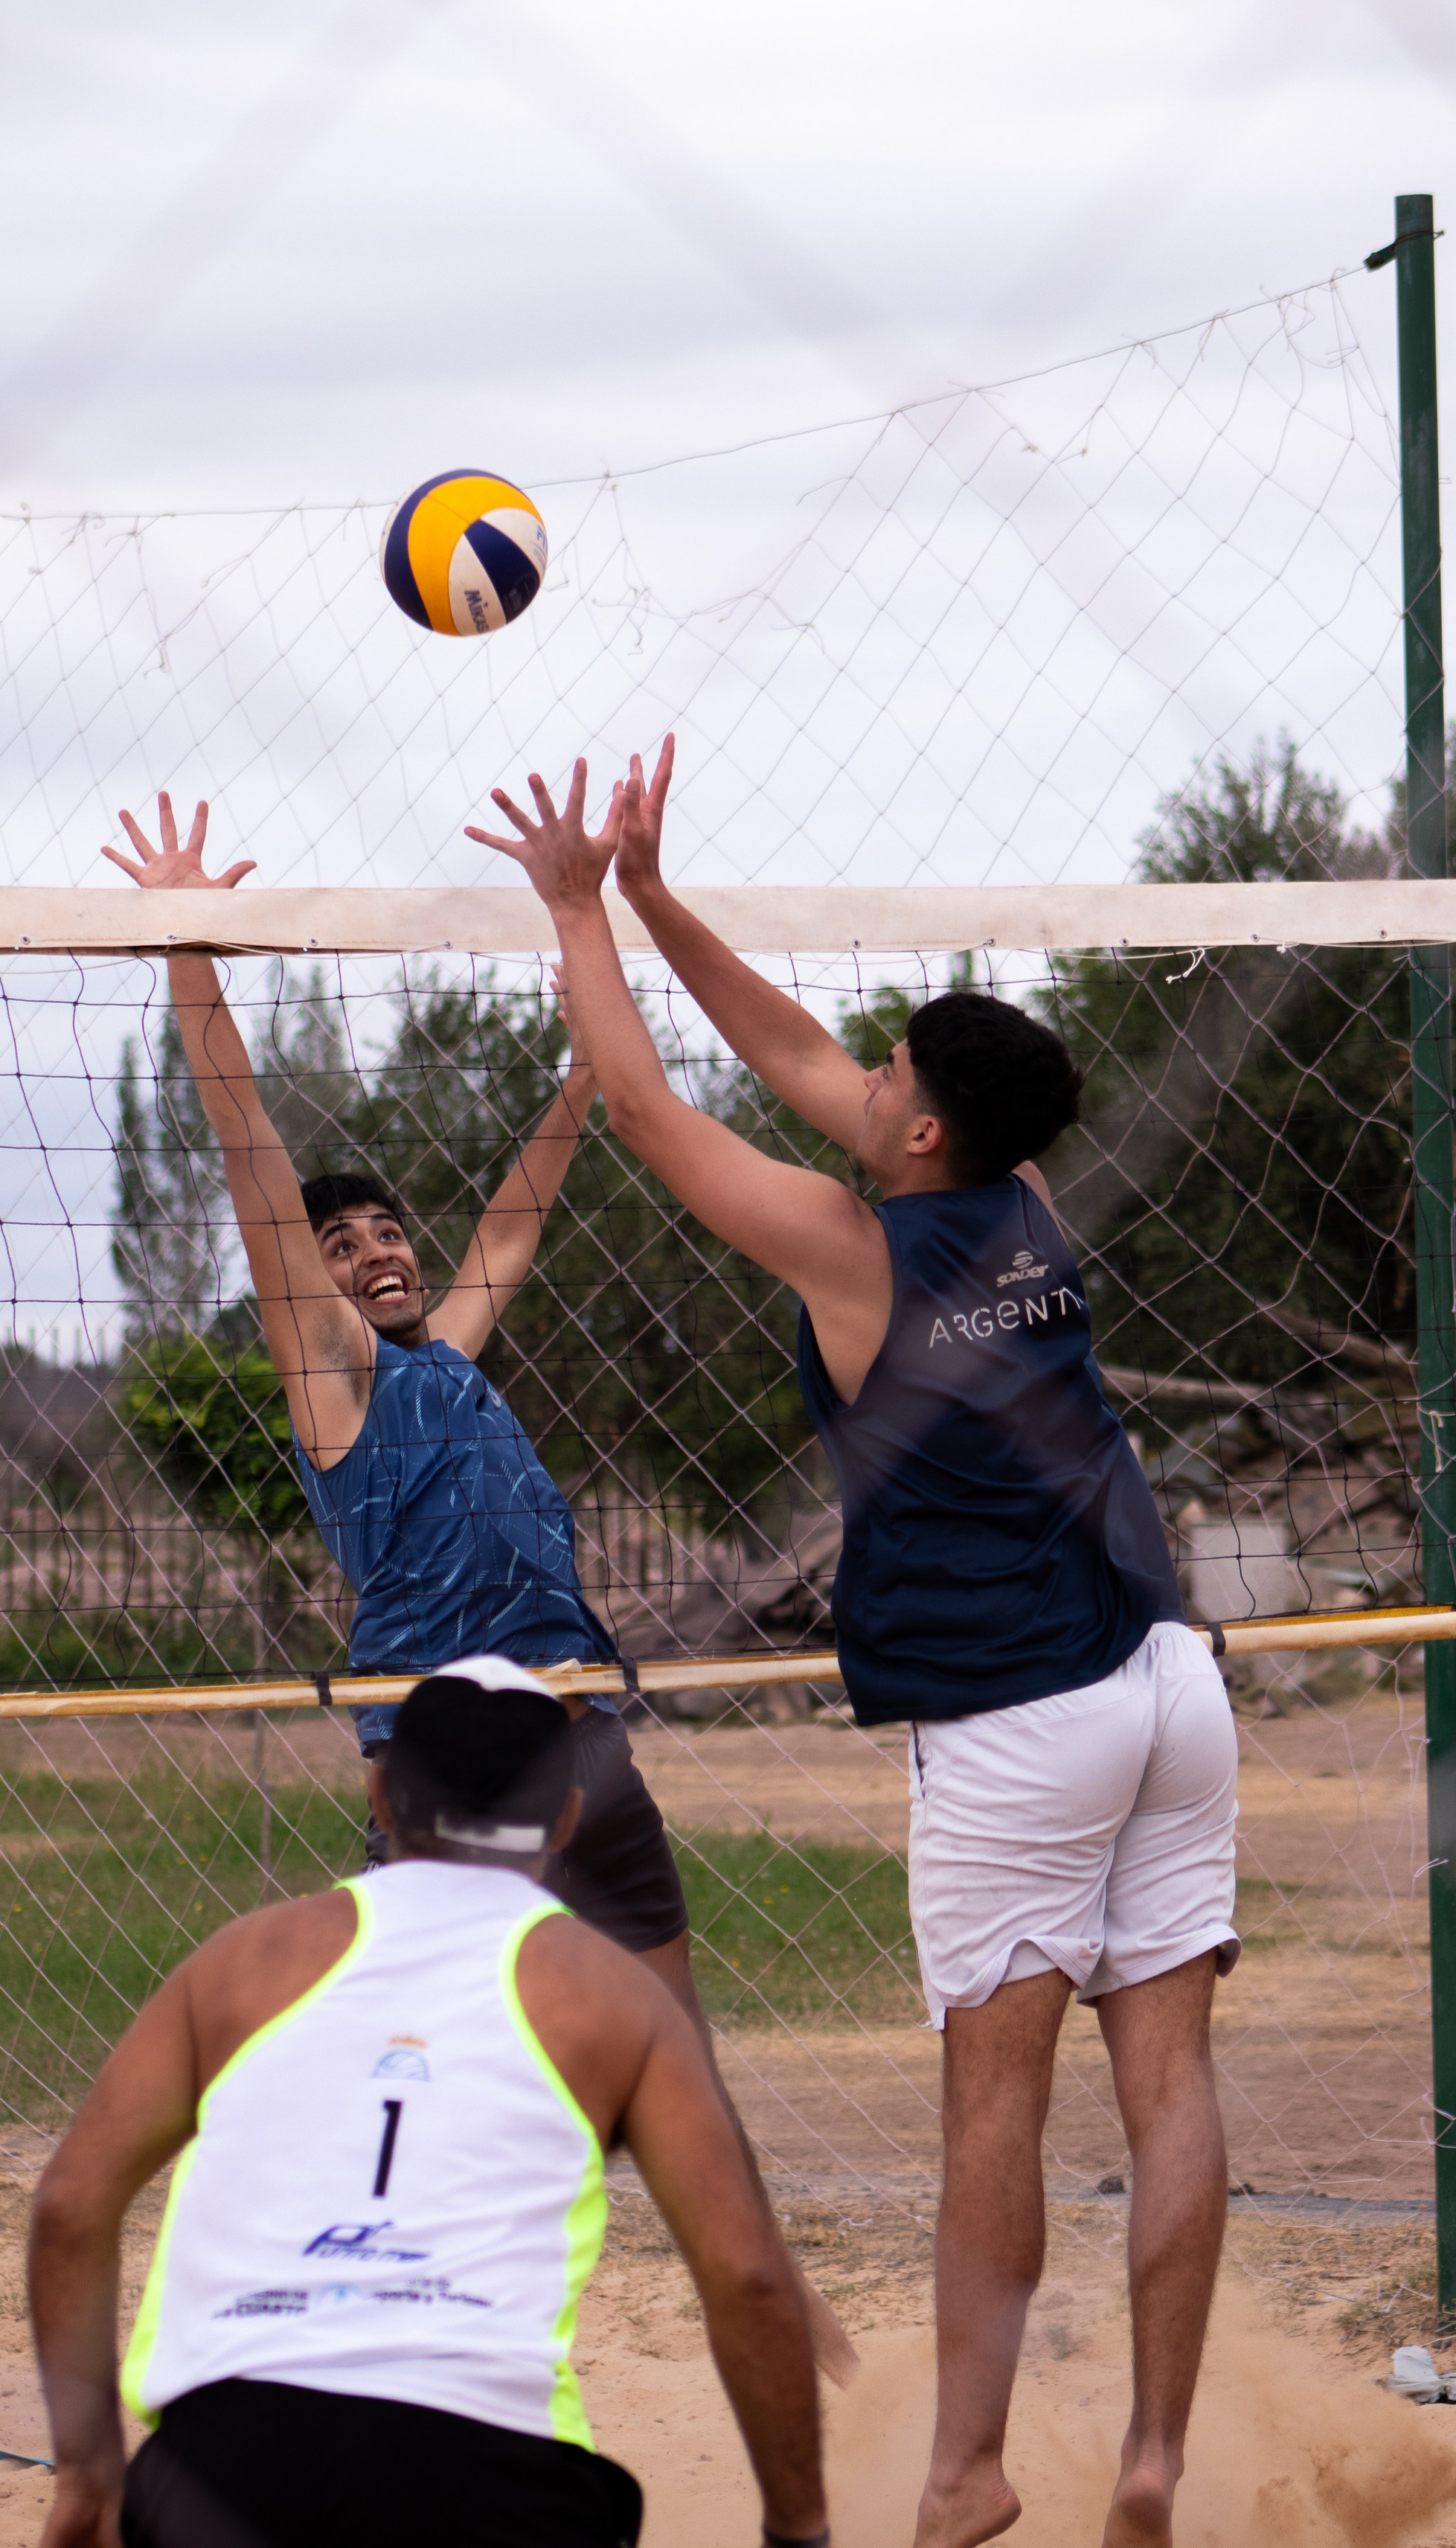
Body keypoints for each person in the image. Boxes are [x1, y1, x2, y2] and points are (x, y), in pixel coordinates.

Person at [469, 742, 1241, 2548]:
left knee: (996, 2098)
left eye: (887, 1072)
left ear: (914, 1137)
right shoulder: (1026, 1209)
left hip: (1014, 1714)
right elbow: (808, 1067)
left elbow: (653, 1114)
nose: (859, 1073)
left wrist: (580, 909)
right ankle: (1148, 2453)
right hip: (1163, 1674)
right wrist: (664, 900)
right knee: (1171, 2078)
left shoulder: (855, 1253)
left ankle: (967, 2470)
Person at [103, 793, 856, 2388]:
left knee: (676, 2051)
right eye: (346, 1240)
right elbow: (249, 1160)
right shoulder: (337, 1382)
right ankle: (382, 2323)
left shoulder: (447, 1357)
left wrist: (589, 1072)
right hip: (440, 1757)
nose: (373, 1248)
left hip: (578, 1730)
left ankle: (765, 2291)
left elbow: (518, 1211)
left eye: (387, 1231)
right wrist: (192, 956)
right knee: (430, 2057)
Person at [28, 1656, 832, 2548]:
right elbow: (749, 2278)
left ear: (379, 1795)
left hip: (225, 2470)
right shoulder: (613, 1998)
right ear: (566, 1818)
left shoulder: (244, 1960)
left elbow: (69, 2207)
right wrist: (798, 2527)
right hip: (491, 2478)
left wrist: (89, 2473)